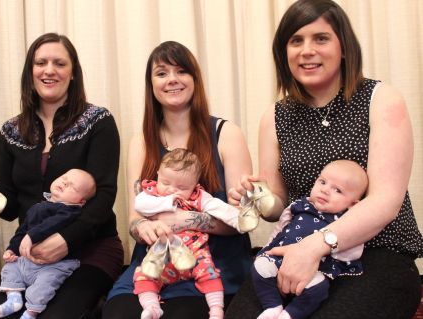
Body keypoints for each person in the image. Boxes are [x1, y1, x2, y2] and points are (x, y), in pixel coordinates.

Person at [226, 1, 423, 318]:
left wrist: (316, 246)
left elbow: (386, 200)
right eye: (296, 40)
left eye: (320, 38)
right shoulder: (274, 117)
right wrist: (256, 197)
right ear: (284, 52)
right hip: (292, 250)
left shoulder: (380, 99)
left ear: (343, 47)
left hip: (375, 254)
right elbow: (277, 204)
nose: (307, 50)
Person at [0, 33, 123, 319]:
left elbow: (104, 197)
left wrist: (65, 239)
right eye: (41, 63)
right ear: (31, 72)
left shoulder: (99, 121)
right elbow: (12, 207)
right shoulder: (10, 131)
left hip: (89, 249)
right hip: (31, 254)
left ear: (73, 73)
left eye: (59, 63)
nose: (49, 70)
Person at [103, 41, 253, 319]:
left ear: (194, 79)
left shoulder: (226, 133)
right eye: (162, 73)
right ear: (151, 85)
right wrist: (144, 228)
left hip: (214, 266)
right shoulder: (141, 142)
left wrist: (181, 220)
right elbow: (134, 218)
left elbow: (241, 221)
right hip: (154, 263)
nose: (172, 79)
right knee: (118, 313)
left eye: (181, 71)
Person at [134, 148, 252, 319]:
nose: (171, 190)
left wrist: (238, 219)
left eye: (182, 187)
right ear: (158, 174)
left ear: (195, 184)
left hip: (194, 252)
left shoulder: (198, 196)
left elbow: (218, 207)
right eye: (166, 182)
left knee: (210, 275)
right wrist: (169, 202)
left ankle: (217, 310)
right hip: (161, 253)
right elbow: (140, 205)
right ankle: (152, 307)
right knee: (144, 275)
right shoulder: (152, 194)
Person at [253, 160, 368, 319]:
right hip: (280, 257)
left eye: (338, 190)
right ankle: (272, 306)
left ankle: (290, 314)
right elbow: (281, 228)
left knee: (318, 288)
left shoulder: (345, 221)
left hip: (315, 269)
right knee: (260, 267)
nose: (325, 190)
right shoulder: (299, 205)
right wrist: (267, 248)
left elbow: (354, 249)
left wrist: (336, 259)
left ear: (353, 205)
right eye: (323, 182)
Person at [0, 168, 96, 319]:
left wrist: (32, 236)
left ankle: (31, 313)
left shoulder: (70, 211)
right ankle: (13, 298)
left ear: (80, 201)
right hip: (28, 260)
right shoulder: (37, 207)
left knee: (45, 285)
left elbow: (52, 224)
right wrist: (12, 250)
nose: (65, 183)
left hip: (55, 265)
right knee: (10, 267)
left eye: (72, 186)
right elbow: (22, 232)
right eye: (64, 178)